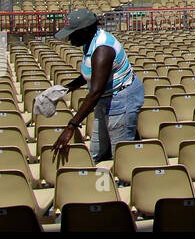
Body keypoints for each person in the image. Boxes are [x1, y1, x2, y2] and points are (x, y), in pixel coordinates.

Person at [50, 9, 142, 163]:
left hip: (121, 100)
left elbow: (95, 91)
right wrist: (67, 88)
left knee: (120, 156)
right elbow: (92, 74)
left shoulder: (102, 49)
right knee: (97, 151)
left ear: (85, 30)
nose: (69, 38)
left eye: (72, 33)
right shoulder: (89, 42)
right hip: (105, 98)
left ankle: (124, 181)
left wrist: (71, 127)